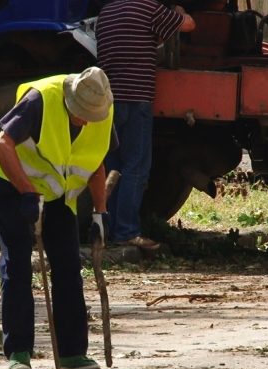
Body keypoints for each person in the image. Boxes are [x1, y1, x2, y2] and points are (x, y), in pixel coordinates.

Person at [0, 66, 116, 369]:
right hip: (11, 184)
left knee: (69, 265)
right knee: (17, 263)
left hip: (57, 196)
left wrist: (100, 212)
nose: (84, 120)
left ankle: (72, 354)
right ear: (71, 99)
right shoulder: (41, 99)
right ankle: (18, 352)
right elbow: (1, 145)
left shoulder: (102, 111)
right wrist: (27, 192)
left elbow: (96, 162)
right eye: (79, 113)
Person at [96, 0, 195, 250]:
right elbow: (189, 25)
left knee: (113, 167)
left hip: (108, 100)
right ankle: (127, 231)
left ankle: (106, 230)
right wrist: (178, 12)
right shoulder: (148, 8)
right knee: (136, 167)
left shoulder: (107, 11)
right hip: (135, 99)